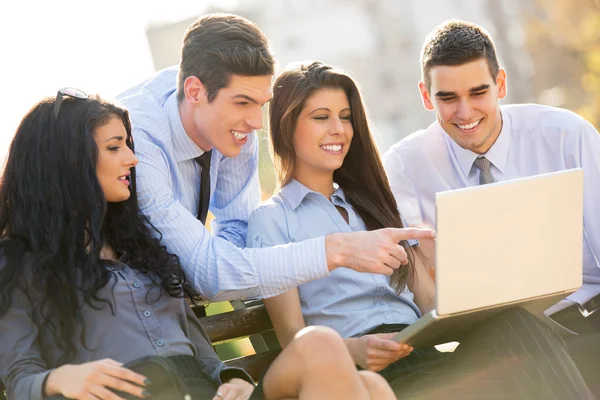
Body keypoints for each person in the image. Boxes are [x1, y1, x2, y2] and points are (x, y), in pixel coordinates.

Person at [0, 90, 398, 400]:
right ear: (70, 162)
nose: (132, 159)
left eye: (128, 144)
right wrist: (59, 379)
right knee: (334, 354)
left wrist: (234, 378)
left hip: (202, 390)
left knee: (367, 384)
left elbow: (204, 355)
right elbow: (19, 380)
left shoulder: (142, 248)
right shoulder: (19, 263)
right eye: (114, 146)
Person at [246, 60, 594, 399]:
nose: (339, 129)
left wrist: (486, 300)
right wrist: (353, 350)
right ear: (287, 126)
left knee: (517, 325)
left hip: (423, 355)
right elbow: (293, 338)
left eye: (346, 117)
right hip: (360, 376)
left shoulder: (375, 204)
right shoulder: (272, 220)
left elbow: (428, 299)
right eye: (321, 117)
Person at [116, 13, 433, 302]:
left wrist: (215, 262)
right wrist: (339, 249)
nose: (256, 123)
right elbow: (211, 276)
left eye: (260, 104)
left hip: (169, 303)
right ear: (195, 92)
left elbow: (237, 232)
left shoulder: (231, 127)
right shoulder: (136, 140)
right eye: (242, 103)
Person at [381, 19, 600, 394]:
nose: (465, 113)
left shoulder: (565, 135)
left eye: (478, 93)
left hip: (585, 317)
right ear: (425, 95)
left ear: (500, 84)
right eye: (447, 98)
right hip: (497, 340)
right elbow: (419, 288)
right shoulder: (404, 166)